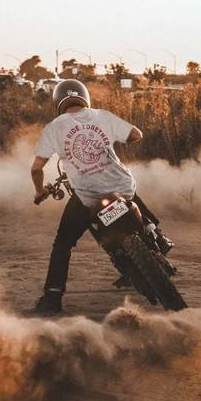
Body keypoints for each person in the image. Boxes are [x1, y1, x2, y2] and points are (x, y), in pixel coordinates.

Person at [30, 79, 173, 315]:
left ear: (58, 102)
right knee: (126, 190)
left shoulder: (54, 128)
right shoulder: (102, 116)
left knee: (63, 243)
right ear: (84, 97)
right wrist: (111, 138)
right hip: (121, 186)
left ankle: (52, 297)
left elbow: (36, 169)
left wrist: (39, 191)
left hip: (87, 196)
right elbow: (136, 134)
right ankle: (154, 232)